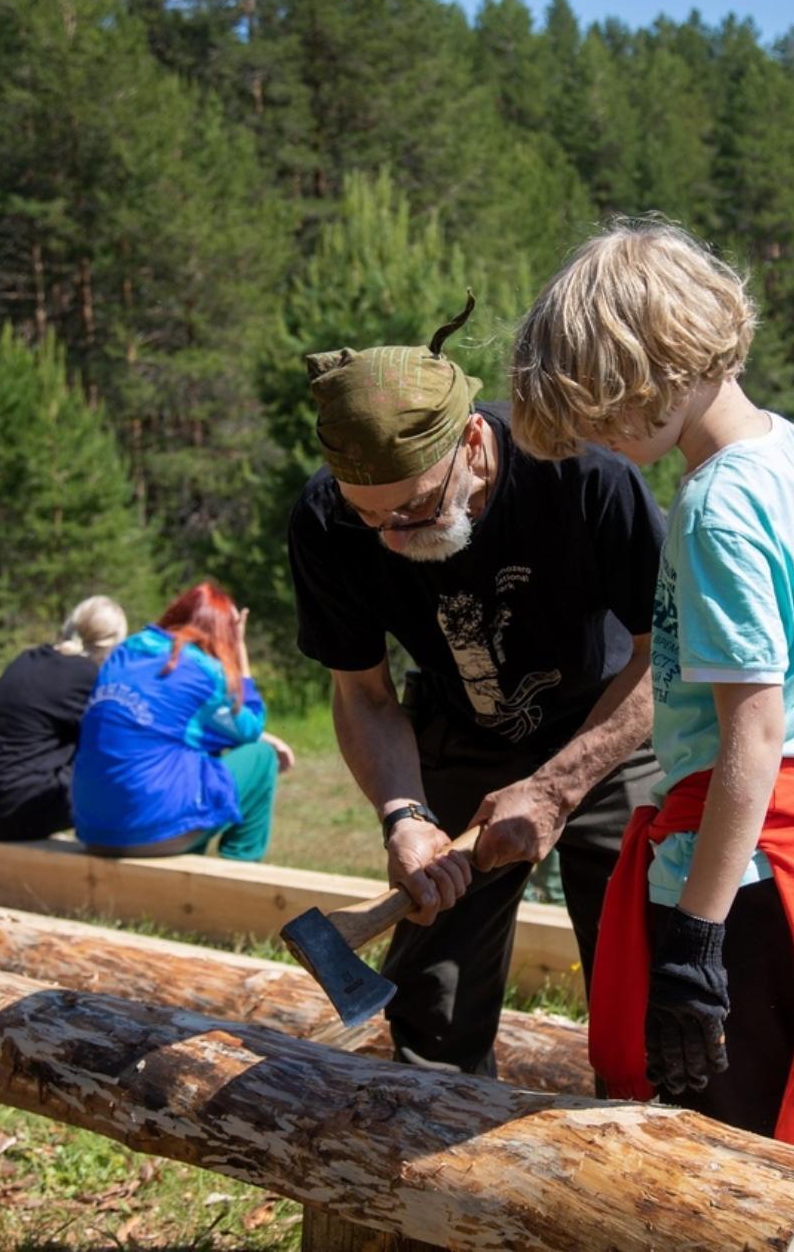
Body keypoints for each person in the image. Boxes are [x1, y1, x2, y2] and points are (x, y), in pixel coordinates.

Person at [509, 218, 794, 1162]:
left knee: (738, 1162)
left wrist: (695, 944)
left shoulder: (714, 506)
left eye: (596, 412)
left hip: (745, 881)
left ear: (642, 375)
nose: (596, 436)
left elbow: (752, 737)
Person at [286, 296, 664, 1077]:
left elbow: (666, 659)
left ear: (471, 439)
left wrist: (559, 787)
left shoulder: (584, 476)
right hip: (460, 733)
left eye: (416, 505)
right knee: (434, 1005)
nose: (394, 535)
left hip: (607, 732)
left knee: (646, 985)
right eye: (373, 518)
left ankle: (650, 1152)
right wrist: (405, 813)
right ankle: (437, 1178)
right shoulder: (327, 523)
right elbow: (364, 694)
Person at [71, 582, 294, 860]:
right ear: (224, 632)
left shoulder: (123, 653)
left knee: (187, 760)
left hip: (92, 829)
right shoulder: (202, 672)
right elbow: (250, 729)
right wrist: (240, 655)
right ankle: (240, 868)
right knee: (261, 757)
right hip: (147, 831)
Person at [0, 595, 129, 841]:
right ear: (113, 645)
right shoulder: (88, 678)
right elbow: (115, 742)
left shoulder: (27, 659)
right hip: (7, 814)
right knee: (116, 764)